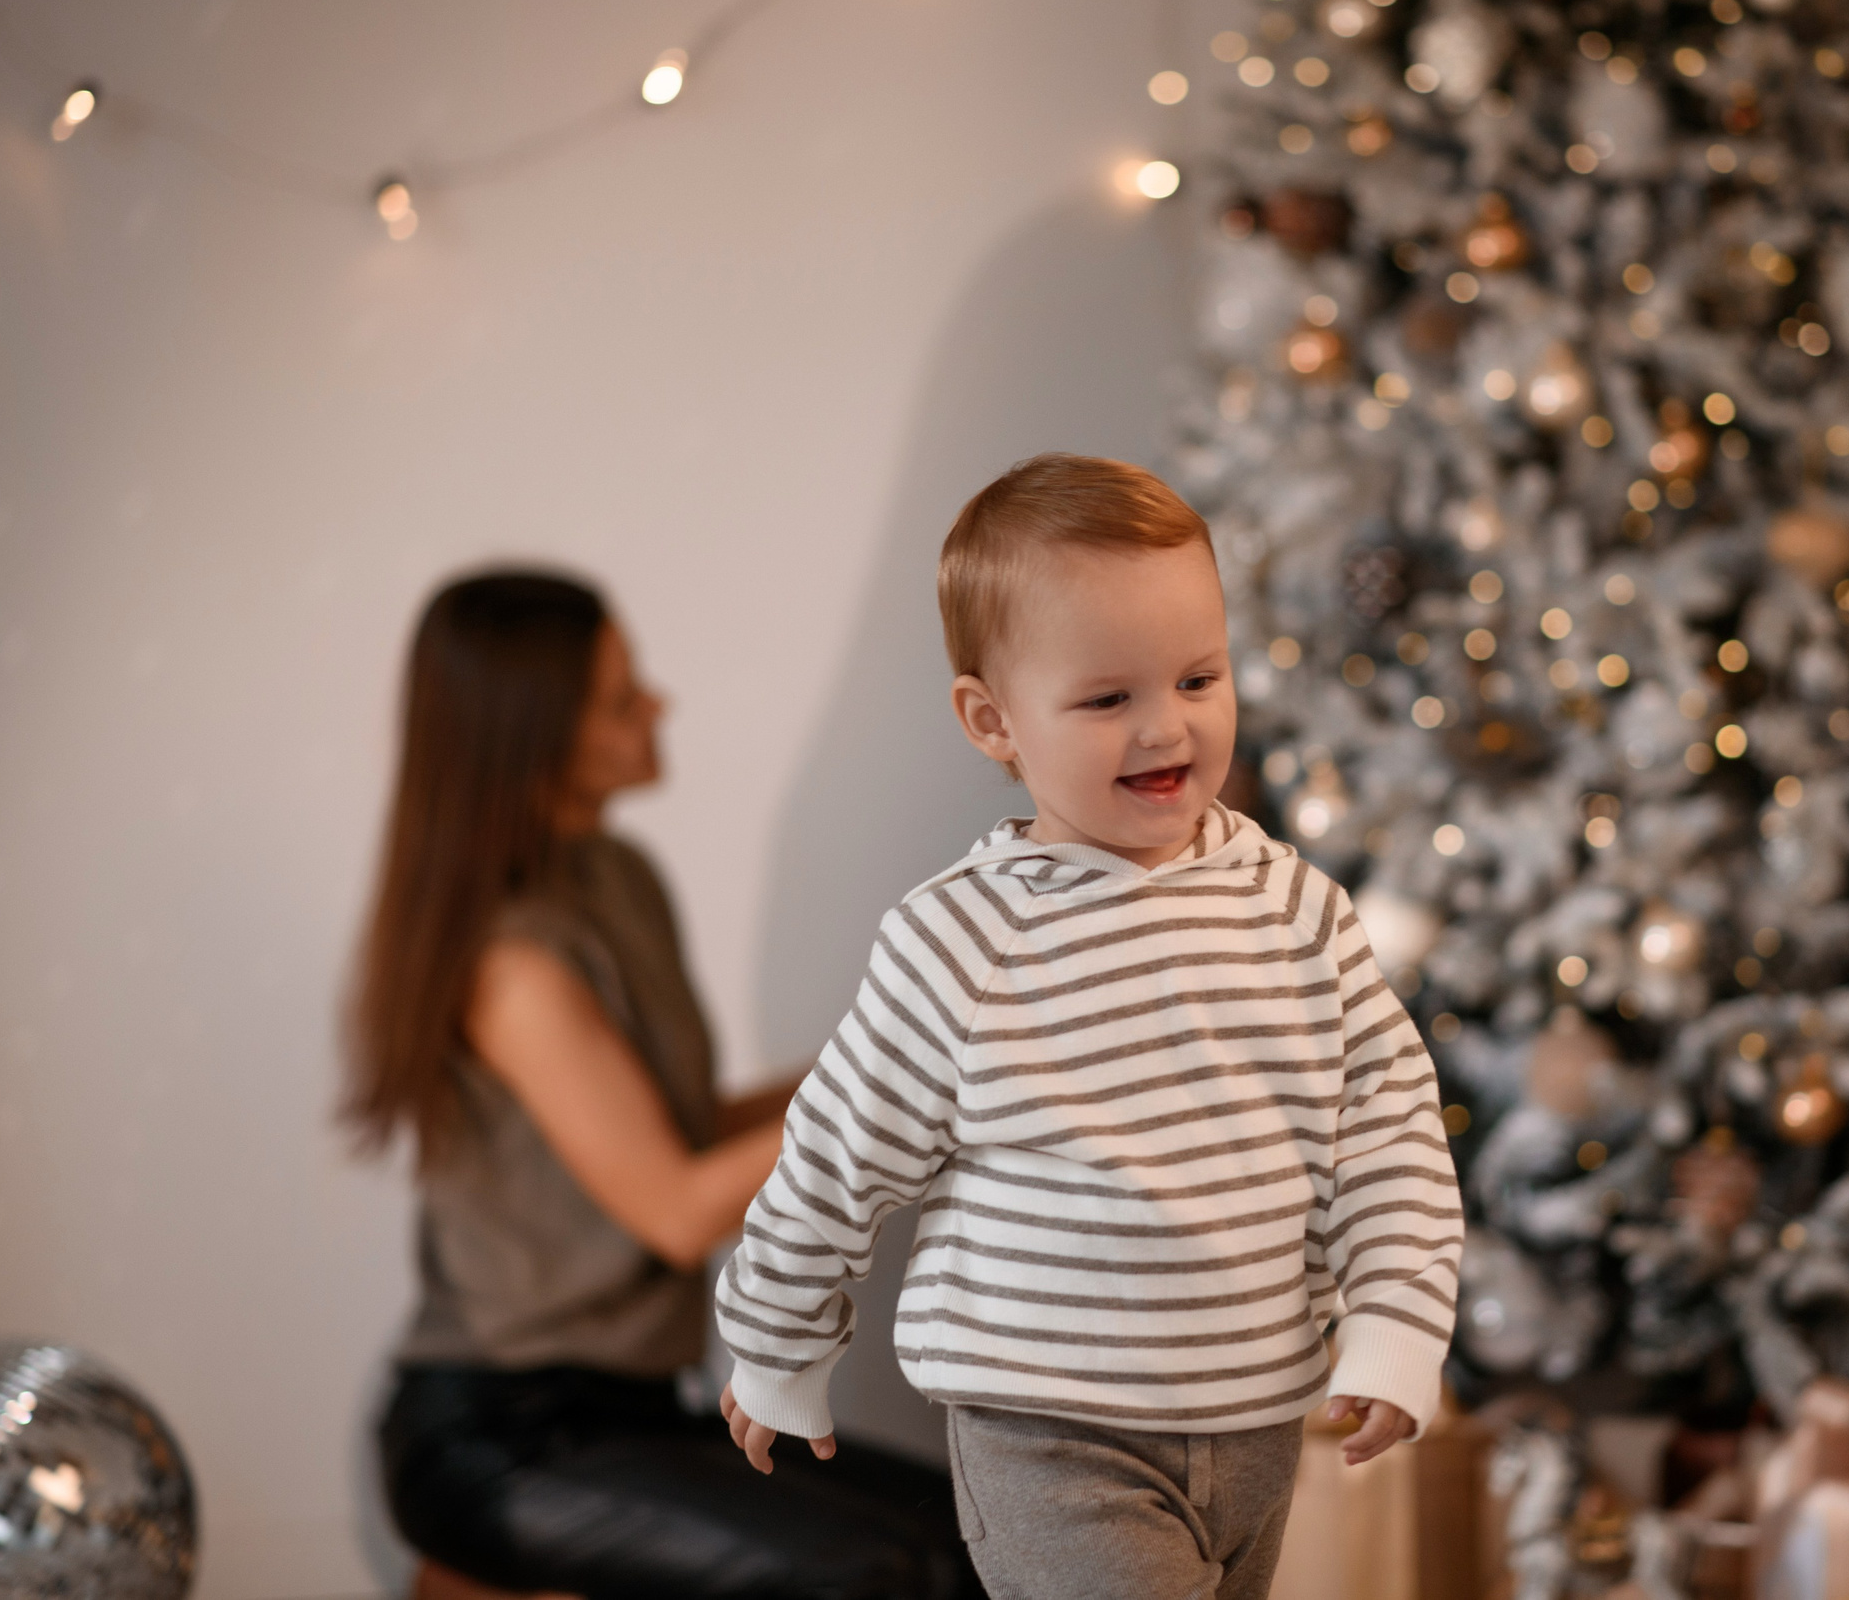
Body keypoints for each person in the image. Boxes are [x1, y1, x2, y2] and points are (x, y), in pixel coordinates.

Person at [714, 457, 1465, 1600]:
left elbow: (1388, 1129)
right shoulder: (961, 944)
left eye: (1199, 679)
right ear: (992, 720)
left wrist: (1395, 1328)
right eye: (1109, 699)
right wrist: (776, 1340)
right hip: (1052, 1434)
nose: (1167, 727)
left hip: (1256, 1419)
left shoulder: (1295, 909)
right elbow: (837, 1154)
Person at [344, 569, 977, 1600]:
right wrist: (908, 1087)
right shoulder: (512, 968)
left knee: (971, 1539)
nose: (657, 707)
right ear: (535, 733)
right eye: (620, 697)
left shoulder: (618, 879)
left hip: (639, 1414)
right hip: (504, 1440)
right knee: (877, 1574)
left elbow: (682, 1132)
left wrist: (902, 1046)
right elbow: (677, 1211)